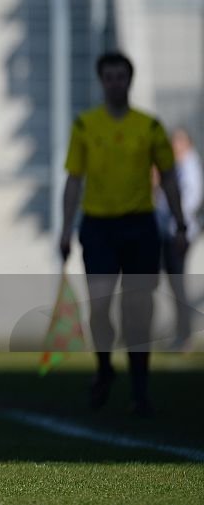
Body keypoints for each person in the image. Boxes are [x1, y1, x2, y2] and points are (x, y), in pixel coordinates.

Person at [59, 51, 185, 417]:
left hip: (140, 226)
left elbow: (170, 176)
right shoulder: (85, 126)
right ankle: (103, 368)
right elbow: (73, 180)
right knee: (99, 306)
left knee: (137, 309)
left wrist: (180, 222)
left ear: (130, 81)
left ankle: (140, 391)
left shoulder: (149, 127)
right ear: (102, 81)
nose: (115, 83)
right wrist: (66, 228)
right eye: (109, 77)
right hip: (98, 227)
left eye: (121, 76)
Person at [155, 128, 203, 350]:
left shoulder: (190, 167)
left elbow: (191, 200)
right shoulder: (175, 166)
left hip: (179, 233)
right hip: (168, 231)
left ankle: (184, 335)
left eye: (178, 141)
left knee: (177, 283)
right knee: (174, 284)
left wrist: (177, 220)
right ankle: (181, 334)